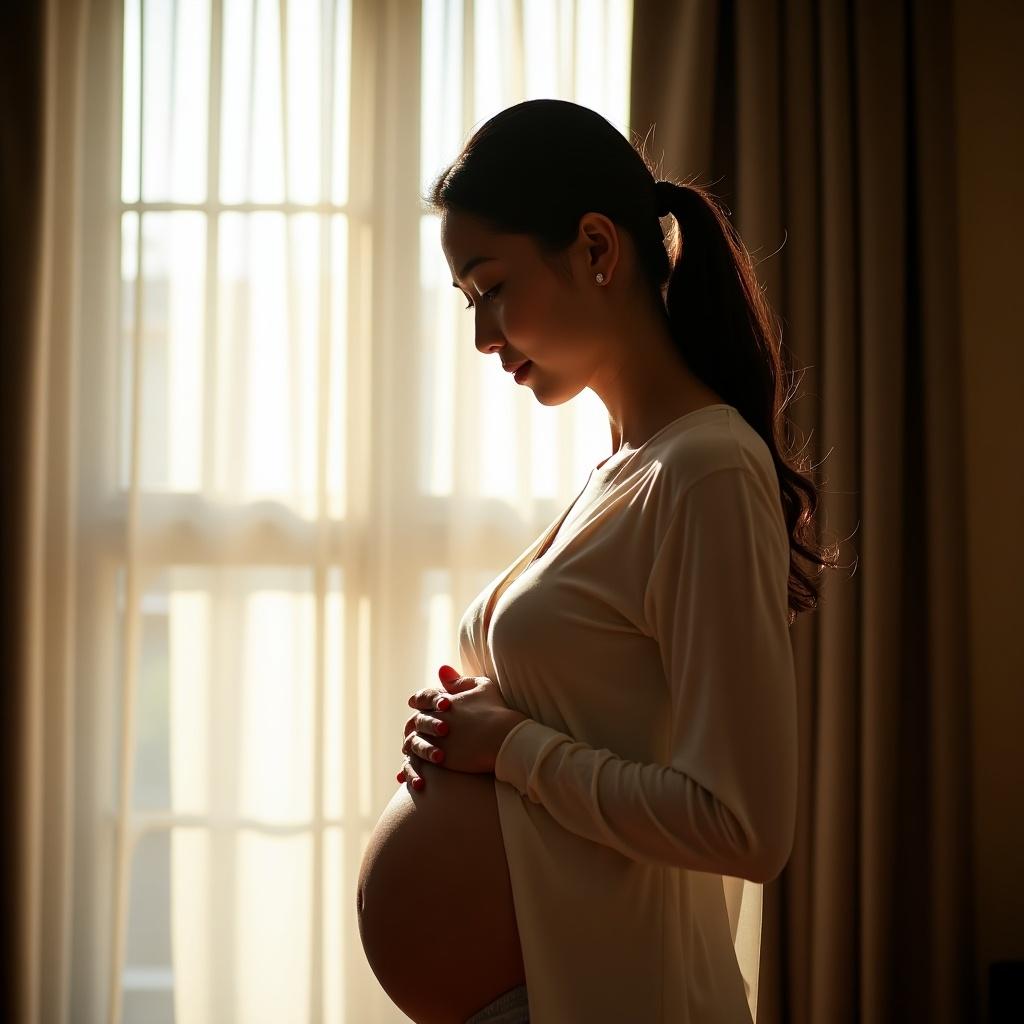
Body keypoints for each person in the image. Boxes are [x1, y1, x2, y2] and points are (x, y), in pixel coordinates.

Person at [400, 98, 839, 1023]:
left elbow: (744, 827)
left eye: (491, 288)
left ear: (598, 249)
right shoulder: (624, 469)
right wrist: (470, 741)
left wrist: (509, 749)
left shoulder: (707, 469)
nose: (483, 337)